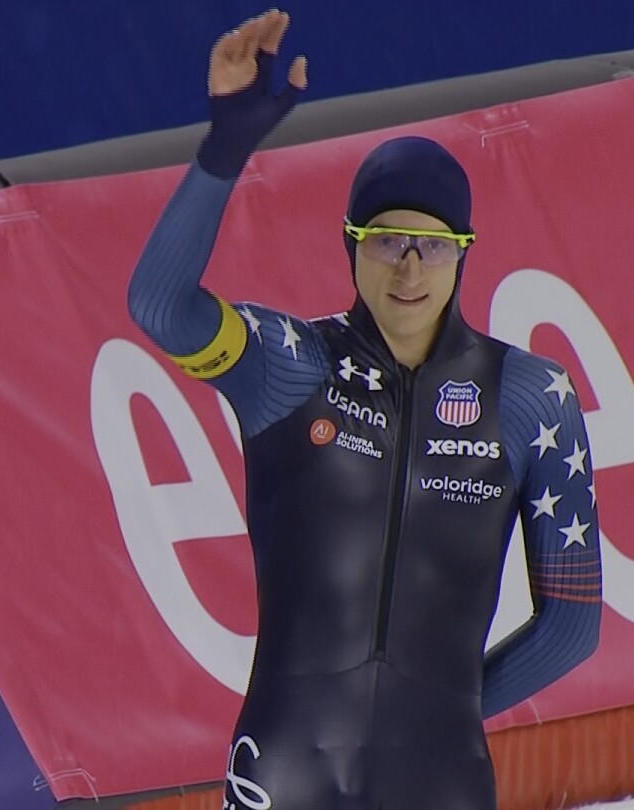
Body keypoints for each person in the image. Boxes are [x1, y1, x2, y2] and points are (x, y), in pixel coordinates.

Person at [128, 10, 603, 809]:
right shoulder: (290, 365)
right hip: (286, 770)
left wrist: (444, 716)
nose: (409, 267)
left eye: (433, 244)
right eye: (386, 240)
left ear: (465, 251)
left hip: (437, 781)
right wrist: (223, 151)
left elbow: (573, 626)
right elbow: (161, 307)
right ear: (351, 245)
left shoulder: (529, 398)